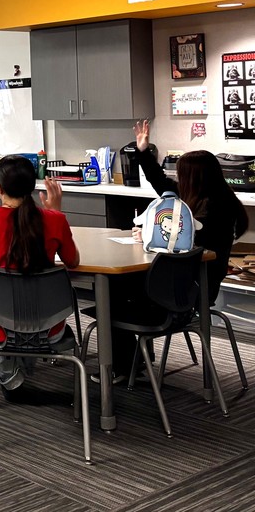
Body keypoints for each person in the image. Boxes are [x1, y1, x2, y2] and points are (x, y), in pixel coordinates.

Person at [104, 120, 249, 379]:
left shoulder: (216, 209)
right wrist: (142, 151)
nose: (178, 180)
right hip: (186, 285)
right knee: (120, 289)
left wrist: (149, 234)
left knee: (113, 296)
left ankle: (126, 365)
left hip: (191, 290)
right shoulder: (202, 197)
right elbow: (160, 183)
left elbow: (188, 239)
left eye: (181, 175)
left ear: (193, 178)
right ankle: (132, 362)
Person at [0, 155, 79, 395]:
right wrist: (56, 214)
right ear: (32, 187)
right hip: (48, 328)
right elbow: (73, 261)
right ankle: (13, 371)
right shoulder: (54, 220)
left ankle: (9, 373)